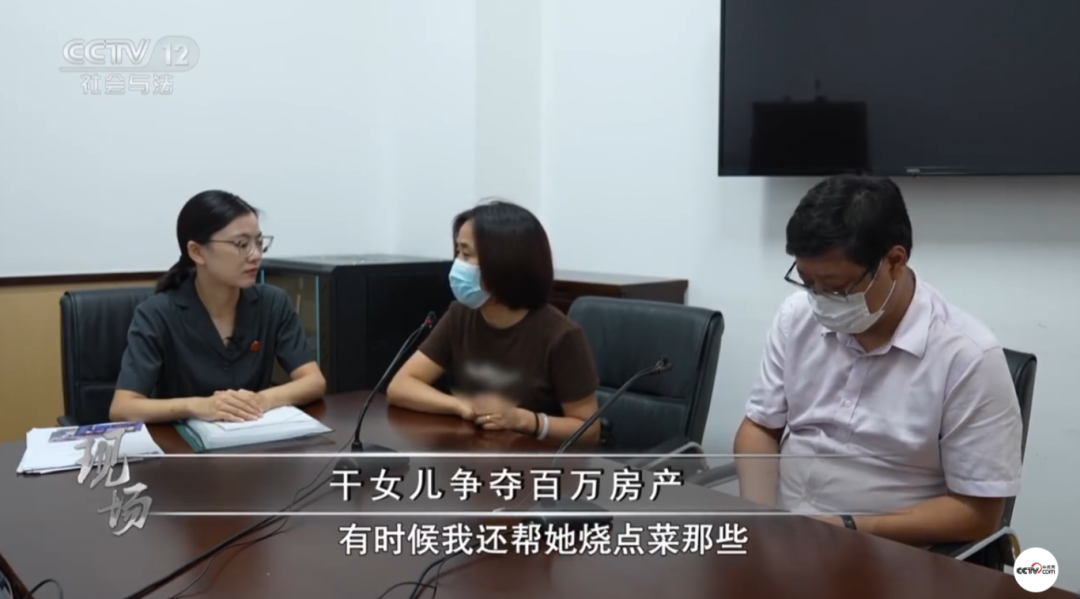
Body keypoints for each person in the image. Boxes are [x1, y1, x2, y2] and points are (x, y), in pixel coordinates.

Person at [733, 175, 1023, 548]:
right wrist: (759, 520)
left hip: (891, 549)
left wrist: (845, 526)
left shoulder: (968, 357)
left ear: (894, 261)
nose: (819, 299)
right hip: (787, 539)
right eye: (807, 281)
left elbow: (978, 513)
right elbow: (760, 427)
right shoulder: (796, 316)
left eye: (837, 288)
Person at [387, 199, 601, 444]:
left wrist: (525, 420)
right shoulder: (461, 315)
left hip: (532, 460)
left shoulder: (561, 335)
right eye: (458, 252)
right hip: (474, 451)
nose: (457, 264)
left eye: (467, 254)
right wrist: (462, 405)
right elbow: (401, 386)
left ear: (504, 264)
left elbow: (589, 431)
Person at [110, 190, 326, 424]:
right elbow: (122, 408)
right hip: (184, 441)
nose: (255, 255)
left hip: (254, 435)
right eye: (242, 244)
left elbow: (313, 381)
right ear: (197, 252)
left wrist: (260, 400)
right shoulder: (156, 313)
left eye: (259, 242)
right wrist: (199, 406)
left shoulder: (273, 302)